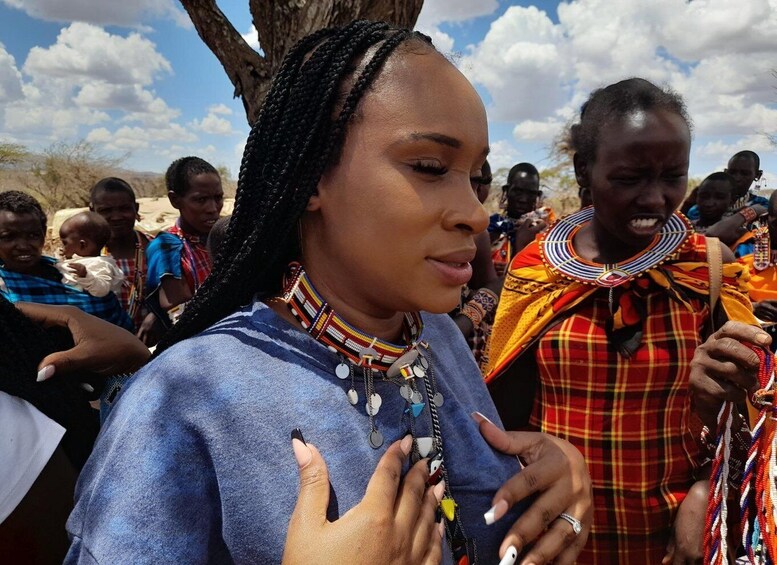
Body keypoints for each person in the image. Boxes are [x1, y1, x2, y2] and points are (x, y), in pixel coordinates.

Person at [66, 21, 592, 565]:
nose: (475, 213)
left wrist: (558, 487)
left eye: (475, 177)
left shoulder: (434, 337)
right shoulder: (179, 404)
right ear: (311, 177)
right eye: (431, 167)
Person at [484, 78, 756, 563]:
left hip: (674, 542)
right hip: (556, 537)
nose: (655, 199)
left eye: (673, 176)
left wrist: (705, 493)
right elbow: (505, 420)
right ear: (583, 170)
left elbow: (752, 421)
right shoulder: (536, 270)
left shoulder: (708, 269)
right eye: (630, 178)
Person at [0, 191, 132, 331]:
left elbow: (118, 327)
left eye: (33, 235)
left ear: (44, 233)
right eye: (8, 237)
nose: (23, 246)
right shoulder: (2, 286)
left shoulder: (66, 270)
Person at [145, 156, 223, 326]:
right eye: (200, 200)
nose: (212, 209)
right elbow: (178, 313)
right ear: (174, 200)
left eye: (218, 198)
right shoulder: (166, 248)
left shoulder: (224, 236)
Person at [89, 177, 158, 343]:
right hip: (106, 348)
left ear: (136, 208)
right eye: (106, 210)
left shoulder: (156, 248)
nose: (116, 216)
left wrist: (157, 315)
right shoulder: (86, 256)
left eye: (124, 209)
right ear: (92, 211)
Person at [488, 163, 551, 275]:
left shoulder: (545, 234)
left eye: (530, 193)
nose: (523, 199)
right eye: (518, 191)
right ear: (507, 191)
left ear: (537, 196)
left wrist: (511, 267)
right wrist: (489, 266)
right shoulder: (491, 226)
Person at [56, 212, 124, 298]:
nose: (62, 247)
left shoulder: (100, 265)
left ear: (82, 245)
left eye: (64, 243)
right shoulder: (80, 260)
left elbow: (102, 290)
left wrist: (86, 276)